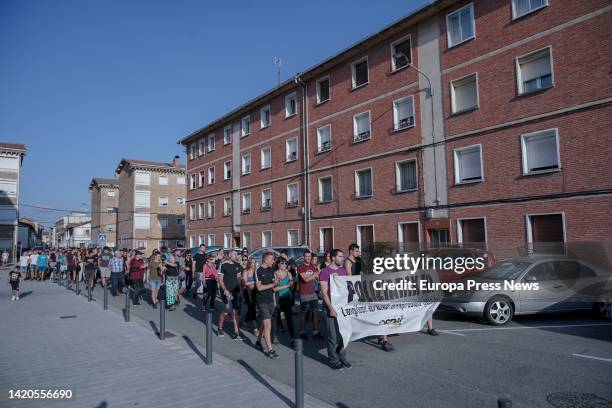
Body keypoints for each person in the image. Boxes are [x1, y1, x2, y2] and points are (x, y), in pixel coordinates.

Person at [320, 249, 351, 370]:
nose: (343, 258)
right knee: (332, 335)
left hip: (343, 307)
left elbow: (346, 288)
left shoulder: (343, 271)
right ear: (333, 258)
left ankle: (341, 354)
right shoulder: (325, 272)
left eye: (343, 256)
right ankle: (333, 359)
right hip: (331, 307)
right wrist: (330, 308)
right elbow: (324, 292)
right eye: (340, 256)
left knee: (346, 333)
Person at [255, 252, 278, 359]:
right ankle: (270, 349)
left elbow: (273, 285)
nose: (273, 262)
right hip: (262, 300)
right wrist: (272, 284)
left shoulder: (271, 270)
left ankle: (258, 341)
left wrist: (276, 282)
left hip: (270, 300)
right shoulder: (258, 271)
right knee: (267, 324)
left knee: (265, 322)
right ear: (266, 260)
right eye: (272, 260)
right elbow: (259, 288)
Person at [218, 250, 245, 340]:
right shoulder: (224, 264)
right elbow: (220, 279)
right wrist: (225, 290)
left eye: (236, 254)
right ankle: (220, 328)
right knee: (226, 311)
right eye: (234, 254)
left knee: (235, 311)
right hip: (227, 292)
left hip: (236, 291)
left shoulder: (237, 265)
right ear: (229, 255)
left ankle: (236, 332)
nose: (236, 256)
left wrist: (241, 291)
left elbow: (239, 279)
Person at [297, 250, 323, 340]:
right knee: (303, 313)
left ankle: (315, 331)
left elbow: (317, 278)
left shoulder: (312, 266)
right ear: (303, 257)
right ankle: (302, 331)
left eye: (309, 256)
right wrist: (316, 273)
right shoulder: (300, 267)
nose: (308, 258)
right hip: (304, 293)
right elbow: (306, 279)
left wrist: (321, 273)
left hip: (312, 292)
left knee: (315, 312)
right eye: (306, 256)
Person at [272, 257, 296, 346]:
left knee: (289, 318)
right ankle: (273, 336)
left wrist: (292, 284)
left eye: (286, 263)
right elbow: (274, 289)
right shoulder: (275, 274)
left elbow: (292, 287)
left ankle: (292, 338)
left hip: (287, 298)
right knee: (275, 319)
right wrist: (287, 286)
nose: (285, 265)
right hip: (278, 298)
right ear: (278, 264)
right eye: (282, 263)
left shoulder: (288, 273)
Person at [241, 260, 258, 335]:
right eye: (252, 262)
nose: (253, 264)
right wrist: (254, 282)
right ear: (249, 263)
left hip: (255, 292)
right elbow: (245, 283)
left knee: (252, 308)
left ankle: (245, 321)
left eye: (254, 262)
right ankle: (255, 328)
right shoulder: (246, 271)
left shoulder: (255, 271)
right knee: (252, 308)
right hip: (247, 292)